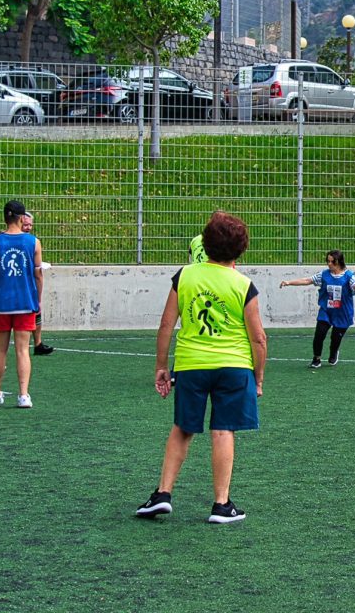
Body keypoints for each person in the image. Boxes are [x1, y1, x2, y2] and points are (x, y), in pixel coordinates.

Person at [136, 210, 266, 524]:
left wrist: (161, 365)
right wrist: (258, 378)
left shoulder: (185, 276)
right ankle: (221, 505)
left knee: (183, 427)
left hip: (192, 364)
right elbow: (258, 338)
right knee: (223, 429)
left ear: (205, 245)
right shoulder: (243, 284)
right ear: (240, 250)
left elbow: (167, 324)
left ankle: (163, 494)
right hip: (234, 366)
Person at [0, 199, 42, 408]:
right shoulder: (33, 242)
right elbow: (38, 275)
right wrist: (38, 300)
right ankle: (23, 395)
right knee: (22, 349)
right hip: (25, 302)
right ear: (21, 218)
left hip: (1, 303)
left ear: (4, 217)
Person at [280, 249, 355, 368]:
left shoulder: (348, 276)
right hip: (327, 311)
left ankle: (334, 353)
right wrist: (289, 282)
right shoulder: (324, 275)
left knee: (335, 339)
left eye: (332, 262)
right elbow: (307, 280)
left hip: (342, 313)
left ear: (339, 262)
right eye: (328, 261)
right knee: (319, 335)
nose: (329, 264)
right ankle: (316, 359)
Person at [21, 212, 54, 355]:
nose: (28, 227)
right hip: (20, 286)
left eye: (30, 225)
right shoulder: (19, 241)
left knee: (36, 313)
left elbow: (37, 269)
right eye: (25, 224)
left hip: (31, 285)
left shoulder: (33, 242)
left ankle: (38, 344)